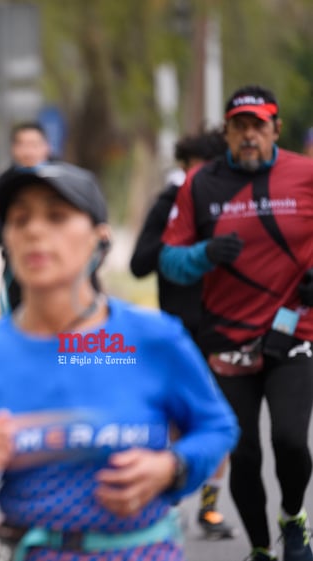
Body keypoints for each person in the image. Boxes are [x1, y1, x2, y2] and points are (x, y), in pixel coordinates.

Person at [0, 161, 239, 561]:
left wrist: (171, 468)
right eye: (19, 218)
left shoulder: (155, 338)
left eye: (57, 216)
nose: (35, 231)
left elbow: (217, 427)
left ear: (100, 238)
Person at [161, 85, 313, 561]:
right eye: (239, 126)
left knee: (289, 439)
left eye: (258, 126)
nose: (249, 135)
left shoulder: (306, 175)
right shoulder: (200, 184)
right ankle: (263, 547)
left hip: (295, 332)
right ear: (226, 131)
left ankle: (292, 519)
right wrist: (204, 255)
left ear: (275, 129)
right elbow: (168, 260)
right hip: (226, 336)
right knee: (244, 452)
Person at [130, 126, 235, 539]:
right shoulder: (169, 202)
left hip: (225, 326)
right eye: (196, 169)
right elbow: (139, 263)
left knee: (219, 417)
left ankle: (209, 510)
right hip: (178, 331)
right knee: (174, 423)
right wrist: (183, 247)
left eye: (210, 170)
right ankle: (169, 505)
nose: (202, 179)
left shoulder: (234, 204)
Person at [0, 122, 52, 313]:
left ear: (46, 147)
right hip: (18, 271)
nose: (29, 151)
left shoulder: (67, 184)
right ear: (14, 149)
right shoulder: (1, 187)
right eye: (23, 144)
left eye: (34, 144)